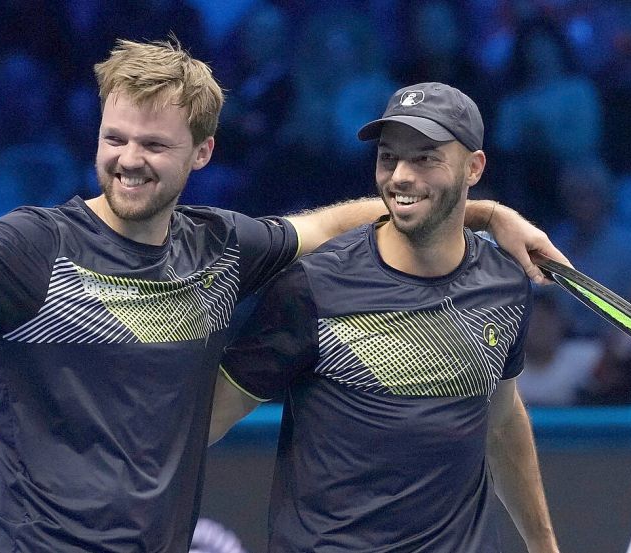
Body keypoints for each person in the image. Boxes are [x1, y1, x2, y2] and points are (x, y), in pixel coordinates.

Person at [0, 40, 561, 552]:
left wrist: (483, 214)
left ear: (202, 153)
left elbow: (327, 222)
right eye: (115, 138)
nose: (128, 158)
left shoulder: (220, 249)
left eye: (153, 145)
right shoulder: (36, 246)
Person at [208, 83, 559, 551]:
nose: (400, 176)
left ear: (474, 167)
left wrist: (544, 547)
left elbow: (500, 419)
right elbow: (205, 423)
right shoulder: (310, 287)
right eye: (389, 157)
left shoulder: (505, 285)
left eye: (425, 158)